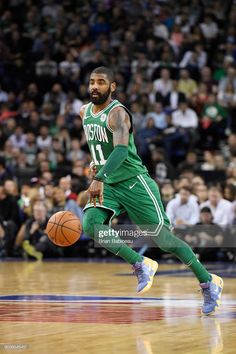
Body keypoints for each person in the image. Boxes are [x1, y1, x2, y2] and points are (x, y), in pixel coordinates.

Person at [79, 66, 223, 315]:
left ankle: (207, 281)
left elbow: (122, 150)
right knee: (91, 224)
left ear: (112, 87)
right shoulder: (84, 112)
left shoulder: (118, 114)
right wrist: (96, 165)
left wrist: (99, 176)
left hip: (134, 182)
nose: (94, 86)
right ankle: (139, 263)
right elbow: (99, 147)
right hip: (109, 184)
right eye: (92, 82)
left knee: (164, 241)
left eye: (101, 82)